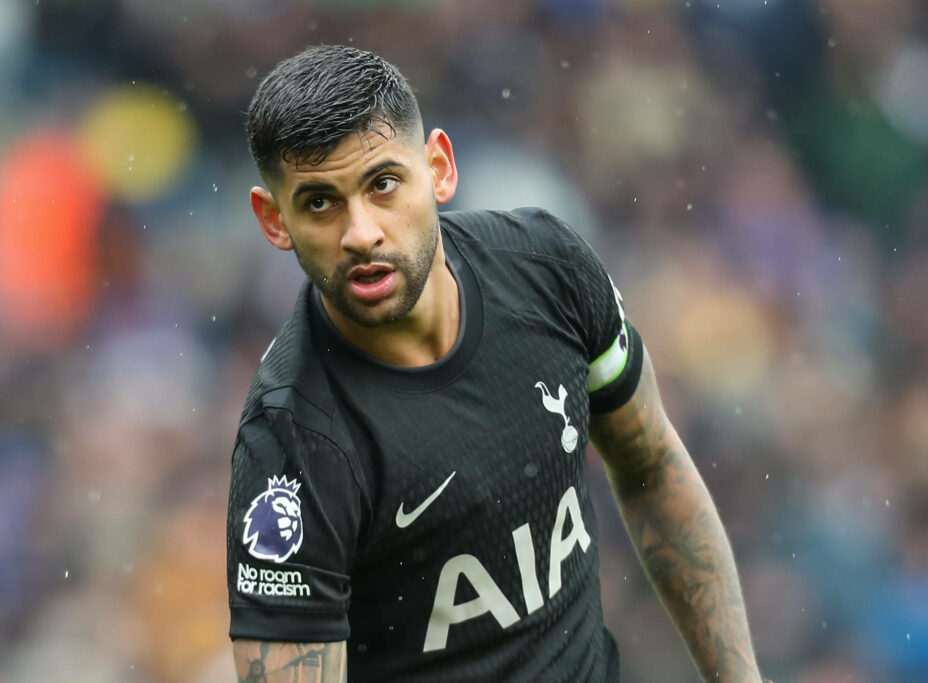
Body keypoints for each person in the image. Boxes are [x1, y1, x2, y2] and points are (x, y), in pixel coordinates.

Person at [226, 44, 764, 683]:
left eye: (383, 184)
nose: (361, 232)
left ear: (439, 169)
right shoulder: (292, 447)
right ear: (274, 219)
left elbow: (652, 468)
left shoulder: (548, 269)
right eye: (320, 202)